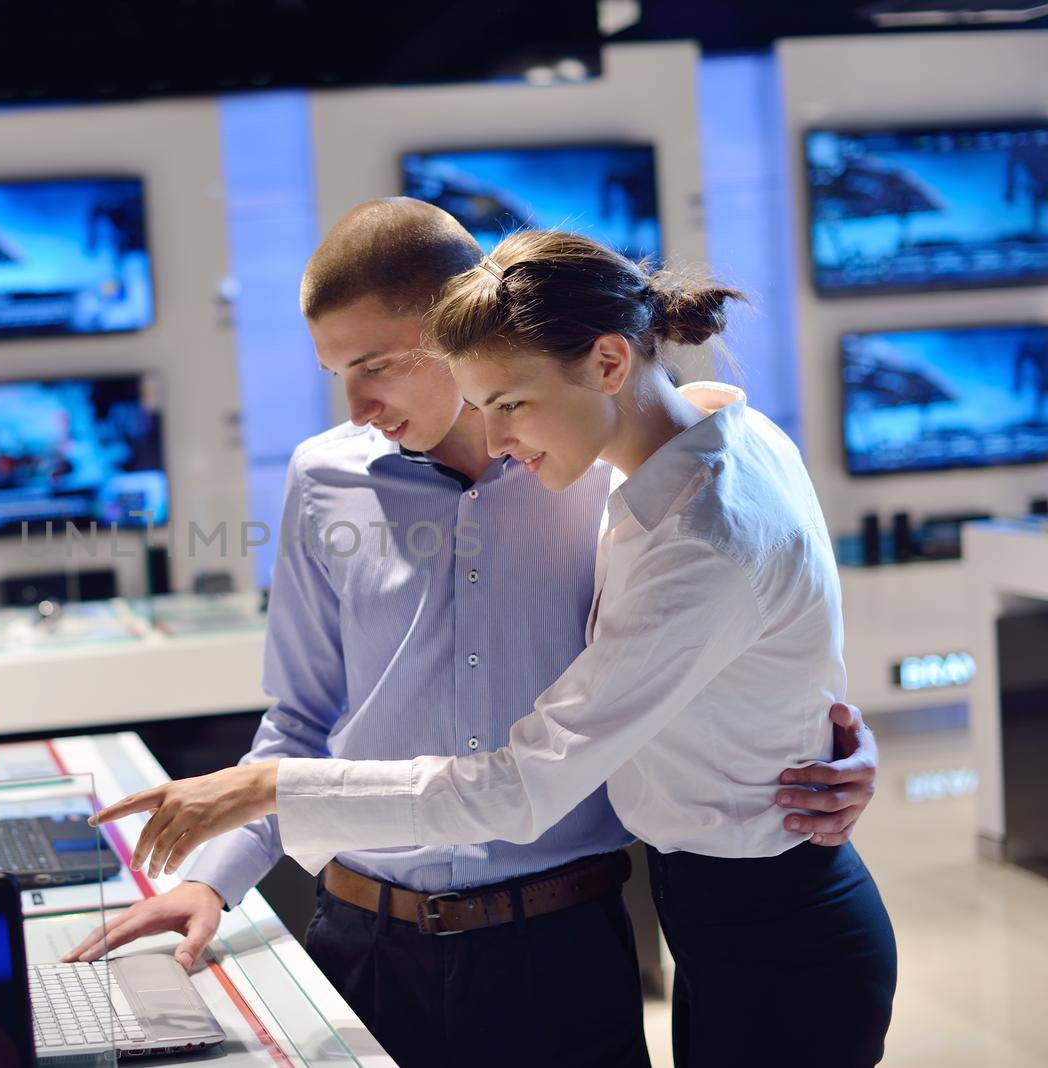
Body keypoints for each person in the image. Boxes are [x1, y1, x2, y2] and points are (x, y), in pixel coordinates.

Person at [69, 202, 884, 1067]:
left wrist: (819, 738)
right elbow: (304, 711)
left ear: (454, 324)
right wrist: (212, 876)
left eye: (376, 364)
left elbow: (732, 608)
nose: (358, 404)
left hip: (561, 944)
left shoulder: (602, 467)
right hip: (362, 935)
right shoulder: (325, 478)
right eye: (335, 371)